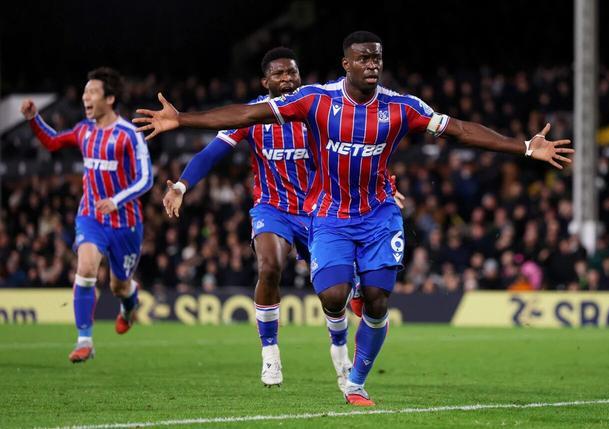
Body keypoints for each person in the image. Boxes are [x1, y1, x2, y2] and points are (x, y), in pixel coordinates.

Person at [134, 31, 573, 406]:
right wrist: (183, 123)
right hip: (324, 214)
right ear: (346, 64)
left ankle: (357, 382)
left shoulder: (402, 107)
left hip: (378, 213)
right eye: (363, 58)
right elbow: (245, 116)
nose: (372, 64)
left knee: (378, 299)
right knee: (330, 296)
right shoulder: (315, 102)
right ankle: (303, 340)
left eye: (377, 58)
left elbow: (459, 129)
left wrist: (523, 147)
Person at [162, 47, 358, 390]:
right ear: (265, 81)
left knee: (334, 295)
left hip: (318, 211)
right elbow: (211, 153)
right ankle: (270, 352)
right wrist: (181, 185)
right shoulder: (253, 116)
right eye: (279, 74)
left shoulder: (315, 110)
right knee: (269, 267)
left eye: (292, 72)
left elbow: (351, 154)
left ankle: (340, 349)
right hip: (272, 208)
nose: (287, 79)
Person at [21, 67, 153, 363]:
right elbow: (54, 141)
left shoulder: (129, 134)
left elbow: (146, 178)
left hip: (125, 222)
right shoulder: (84, 130)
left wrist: (116, 200)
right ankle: (85, 341)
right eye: (84, 92)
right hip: (91, 215)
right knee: (86, 268)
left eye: (92, 92)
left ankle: (129, 303)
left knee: (119, 286)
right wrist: (34, 119)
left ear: (110, 98)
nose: (85, 97)